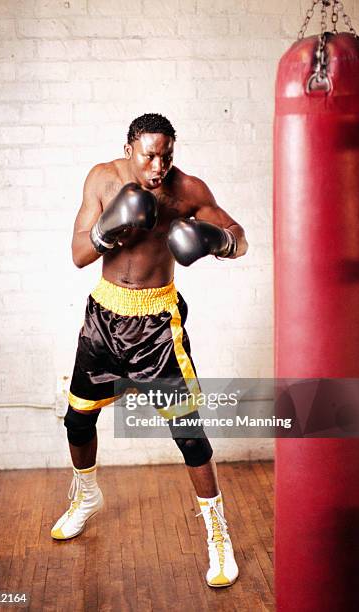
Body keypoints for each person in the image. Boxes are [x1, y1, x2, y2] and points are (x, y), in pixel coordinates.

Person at [51, 113, 248, 588]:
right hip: (104, 316)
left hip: (159, 325)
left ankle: (218, 535)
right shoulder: (102, 178)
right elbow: (78, 254)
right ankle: (87, 495)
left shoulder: (187, 191)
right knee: (78, 419)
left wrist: (216, 240)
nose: (159, 166)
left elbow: (241, 240)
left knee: (189, 433)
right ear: (130, 148)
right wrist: (105, 231)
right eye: (150, 155)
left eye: (167, 155)